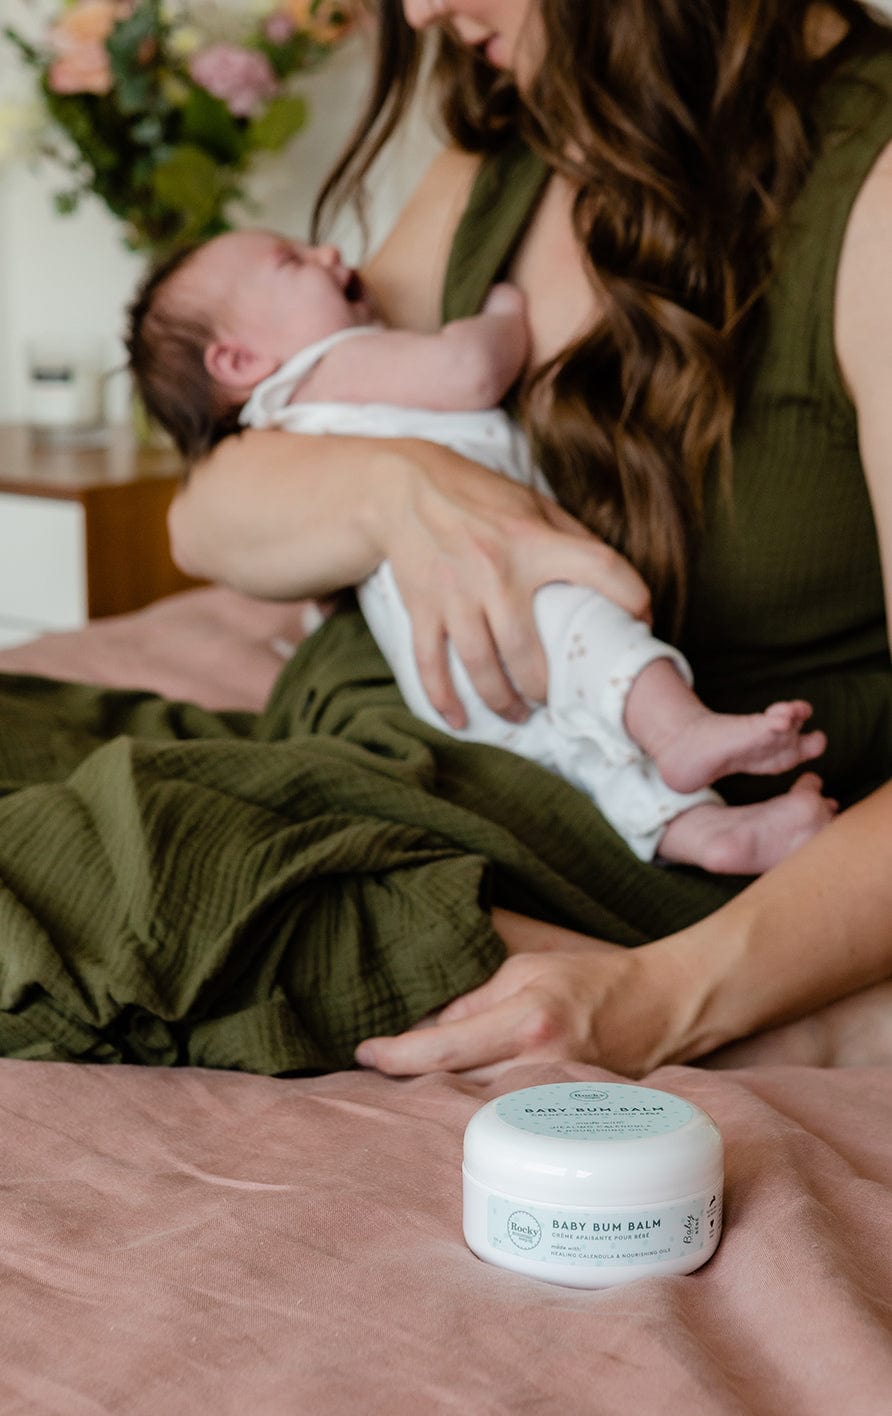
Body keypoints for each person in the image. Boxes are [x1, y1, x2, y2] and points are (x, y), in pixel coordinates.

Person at [163, 0, 892, 1077]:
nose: (420, 10)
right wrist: (401, 491)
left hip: (668, 839)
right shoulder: (514, 135)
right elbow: (203, 517)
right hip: (395, 749)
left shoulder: (872, 187)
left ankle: (803, 1009)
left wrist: (666, 998)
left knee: (140, 869)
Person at [126, 227, 832, 874]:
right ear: (241, 360)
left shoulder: (291, 430)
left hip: (444, 662)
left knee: (579, 748)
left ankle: (711, 835)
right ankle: (680, 730)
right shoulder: (327, 368)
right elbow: (467, 371)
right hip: (493, 586)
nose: (329, 254)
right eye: (292, 261)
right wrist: (503, 313)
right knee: (590, 630)